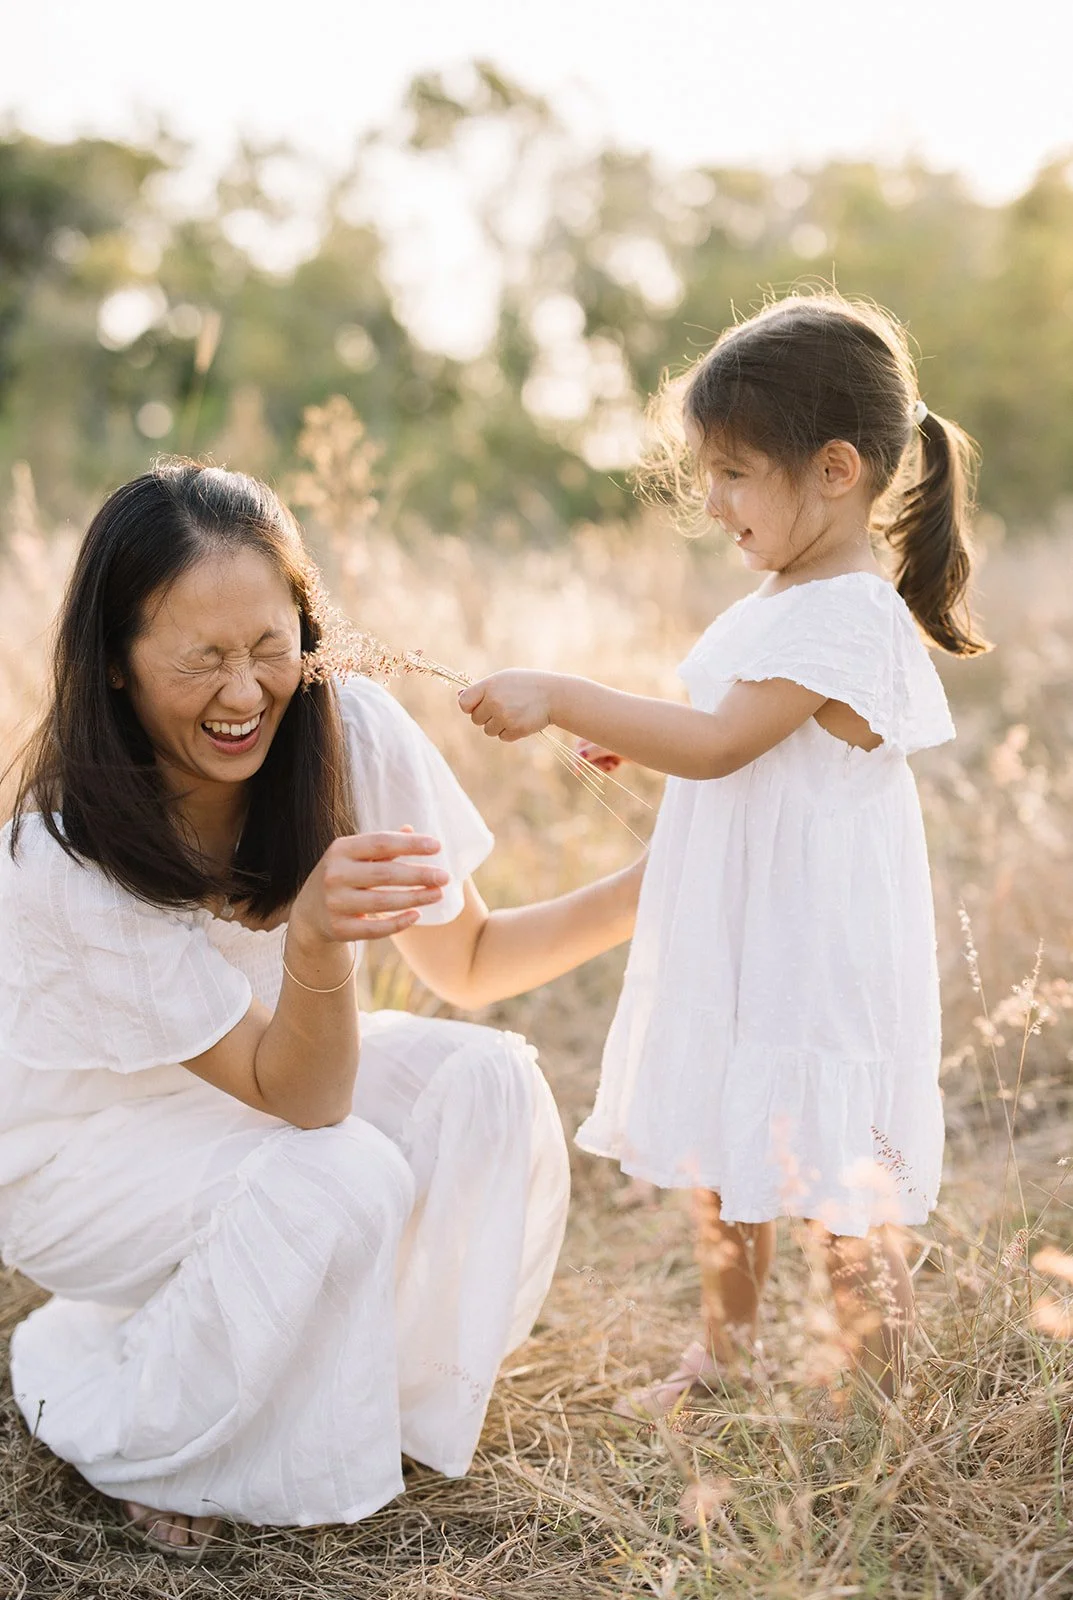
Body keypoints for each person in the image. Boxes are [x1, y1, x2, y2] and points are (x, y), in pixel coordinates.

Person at [0, 462, 643, 1554]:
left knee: (487, 1079)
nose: (244, 693)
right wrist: (313, 938)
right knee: (338, 1171)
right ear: (114, 661)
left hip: (252, 1115)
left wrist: (654, 885)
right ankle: (131, 1428)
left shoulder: (350, 730)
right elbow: (303, 1097)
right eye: (199, 659)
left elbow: (473, 959)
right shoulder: (67, 848)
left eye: (267, 646)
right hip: (72, 1155)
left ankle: (367, 1404)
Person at [458, 292, 987, 1411]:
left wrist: (559, 694)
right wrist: (624, 729)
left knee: (838, 1164)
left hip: (816, 939)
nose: (711, 501)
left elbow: (717, 743)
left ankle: (878, 1385)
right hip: (751, 924)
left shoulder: (846, 610)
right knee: (725, 1138)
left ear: (834, 469)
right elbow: (728, 733)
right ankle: (725, 1355)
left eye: (735, 472)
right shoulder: (783, 592)